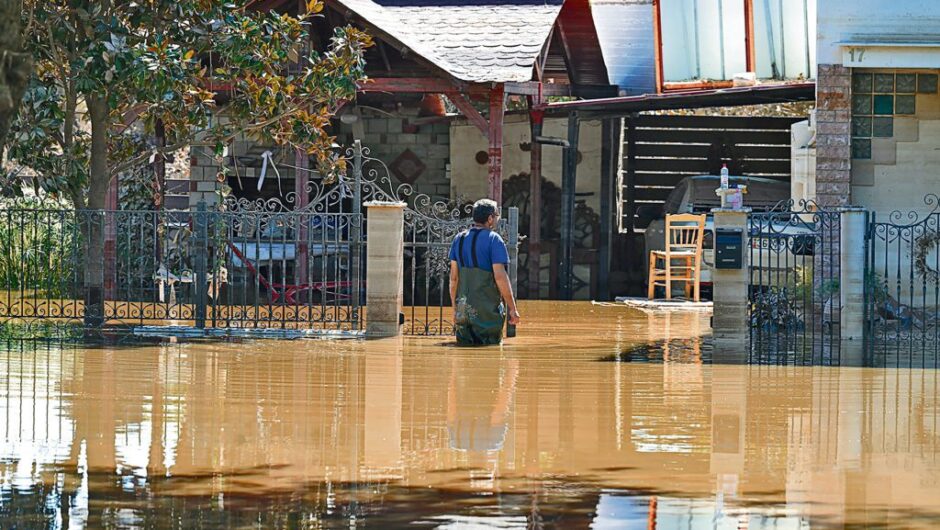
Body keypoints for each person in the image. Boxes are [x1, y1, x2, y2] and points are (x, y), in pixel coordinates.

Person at [448, 199, 521, 345]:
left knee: (463, 356)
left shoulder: (459, 239)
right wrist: (512, 308)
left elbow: (453, 279)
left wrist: (455, 309)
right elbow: (500, 278)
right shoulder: (494, 240)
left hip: (463, 310)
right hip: (487, 312)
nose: (497, 219)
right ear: (490, 219)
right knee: (490, 354)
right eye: (497, 216)